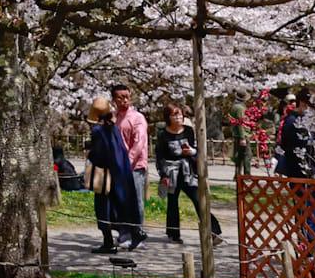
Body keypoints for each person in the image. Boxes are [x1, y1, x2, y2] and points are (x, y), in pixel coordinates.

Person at [155, 103, 221, 244]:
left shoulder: (188, 131)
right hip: (171, 171)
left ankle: (214, 232)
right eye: (174, 115)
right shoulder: (163, 134)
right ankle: (173, 234)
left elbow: (196, 149)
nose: (178, 117)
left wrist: (191, 152)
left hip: (187, 171)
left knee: (198, 200)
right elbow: (159, 156)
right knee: (172, 203)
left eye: (180, 114)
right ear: (168, 117)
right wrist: (163, 175)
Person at [86, 96, 143, 252]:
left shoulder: (98, 131)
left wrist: (90, 154)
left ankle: (108, 242)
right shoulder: (113, 128)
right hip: (121, 172)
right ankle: (134, 231)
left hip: (105, 175)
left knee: (103, 208)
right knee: (121, 206)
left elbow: (99, 155)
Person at [110, 84, 148, 231]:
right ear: (114, 99)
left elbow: (140, 142)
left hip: (135, 166)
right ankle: (124, 231)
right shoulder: (114, 118)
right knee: (120, 200)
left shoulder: (137, 118)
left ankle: (138, 232)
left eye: (127, 96)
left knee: (136, 200)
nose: (124, 100)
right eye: (120, 97)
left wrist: (128, 161)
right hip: (118, 166)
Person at [273, 91, 315, 179]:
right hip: (296, 163)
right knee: (299, 190)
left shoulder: (305, 119)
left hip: (310, 161)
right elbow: (287, 143)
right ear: (301, 103)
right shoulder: (291, 120)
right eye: (307, 105)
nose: (309, 109)